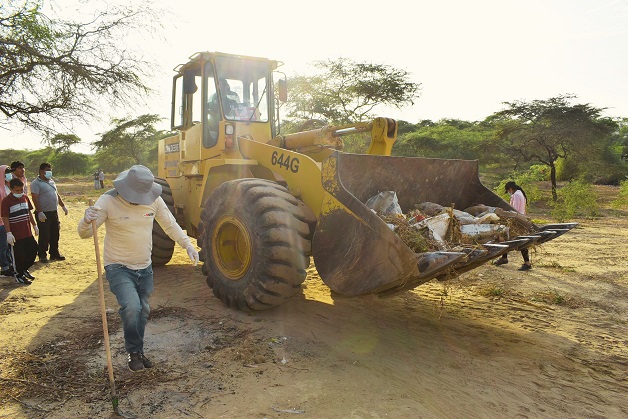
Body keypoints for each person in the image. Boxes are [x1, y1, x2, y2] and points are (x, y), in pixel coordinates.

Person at [77, 165, 199, 372]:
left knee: (143, 311)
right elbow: (86, 234)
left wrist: (187, 245)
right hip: (118, 266)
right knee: (132, 307)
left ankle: (138, 350)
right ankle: (133, 352)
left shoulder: (154, 200)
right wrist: (85, 220)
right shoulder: (107, 201)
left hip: (145, 267)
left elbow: (170, 225)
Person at [1, 178, 39, 285]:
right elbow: (5, 218)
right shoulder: (6, 201)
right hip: (16, 235)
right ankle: (19, 275)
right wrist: (8, 233)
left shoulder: (25, 197)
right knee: (19, 256)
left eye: (21, 190)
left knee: (33, 251)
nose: (19, 192)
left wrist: (34, 225)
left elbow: (29, 212)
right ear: (11, 189)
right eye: (17, 190)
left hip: (27, 232)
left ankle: (24, 269)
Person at [31, 162, 68, 263]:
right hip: (44, 213)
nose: (49, 172)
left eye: (50, 170)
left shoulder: (51, 181)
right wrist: (40, 212)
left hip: (53, 212)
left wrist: (63, 206)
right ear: (41, 171)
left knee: (55, 233)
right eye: (47, 170)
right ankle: (42, 254)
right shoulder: (36, 183)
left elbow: (56, 194)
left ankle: (54, 253)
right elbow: (35, 198)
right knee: (44, 234)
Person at [494, 181, 532, 271]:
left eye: (508, 191)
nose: (508, 192)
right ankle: (504, 258)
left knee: (515, 240)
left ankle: (526, 263)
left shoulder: (515, 195)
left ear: (510, 189)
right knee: (507, 238)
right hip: (521, 219)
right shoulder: (521, 194)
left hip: (516, 220)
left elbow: (513, 210)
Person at [0, 165, 15, 277]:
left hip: (8, 219)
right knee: (3, 246)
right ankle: (5, 268)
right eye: (7, 172)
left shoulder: (7, 186)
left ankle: (9, 265)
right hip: (1, 221)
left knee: (8, 245)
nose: (9, 174)